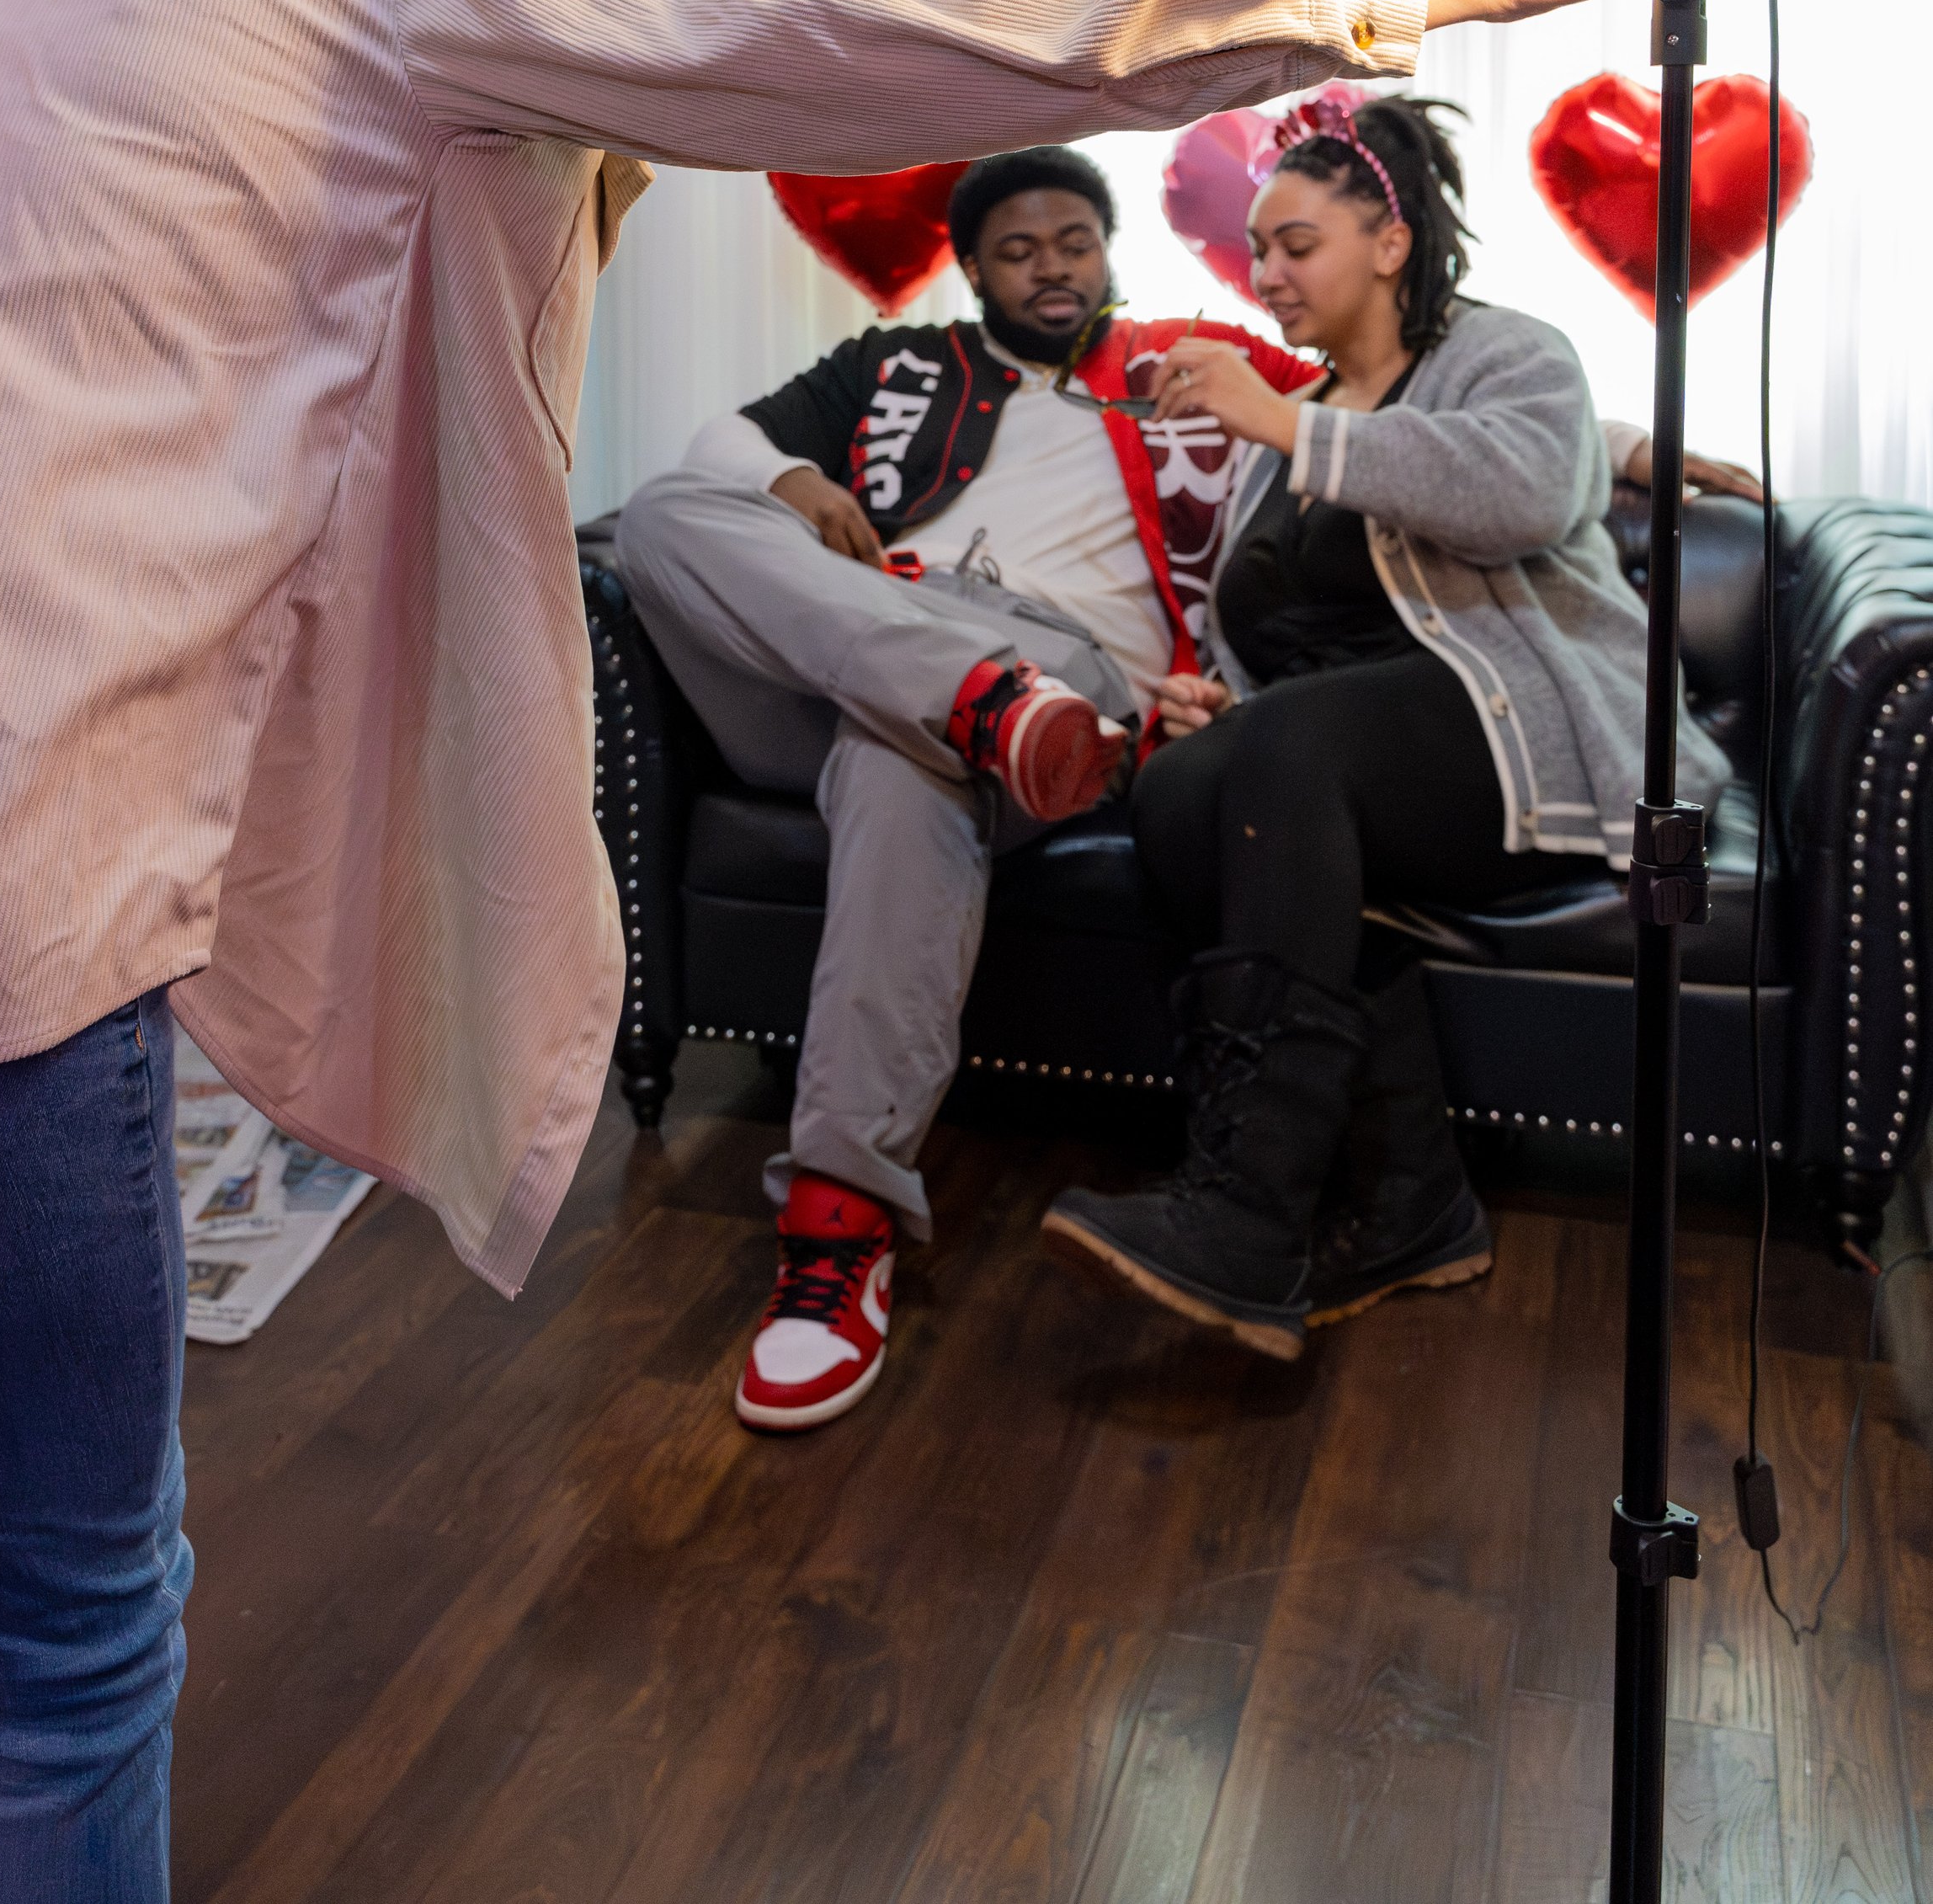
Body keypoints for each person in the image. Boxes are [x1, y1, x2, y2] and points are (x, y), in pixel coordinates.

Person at [0, 0, 1638, 1898]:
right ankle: (943, 762)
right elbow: (843, 4)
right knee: (58, 1660)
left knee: (917, 747)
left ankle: (871, 1084)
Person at [615, 141, 1745, 1436]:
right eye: (1018, 249)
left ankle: (845, 1227)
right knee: (664, 515)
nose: (1051, 267)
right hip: (881, 640)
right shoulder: (892, 366)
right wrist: (797, 482)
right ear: (971, 266)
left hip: (1061, 667)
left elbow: (1426, 420)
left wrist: (1641, 444)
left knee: (909, 748)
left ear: (1110, 253)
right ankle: (969, 697)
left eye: (1075, 242)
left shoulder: (1178, 369)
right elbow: (726, 448)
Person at [1040, 94, 1730, 1359]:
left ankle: (1248, 1209)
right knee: (1180, 785)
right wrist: (1224, 706)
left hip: (1524, 739)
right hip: (1353, 756)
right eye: (1259, 249)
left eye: (1297, 242)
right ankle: (1414, 1196)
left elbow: (1520, 486)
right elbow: (1286, 639)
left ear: (1390, 239)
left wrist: (1287, 422)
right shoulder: (1282, 425)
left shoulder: (1505, 356)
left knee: (1290, 746)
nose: (1269, 272)